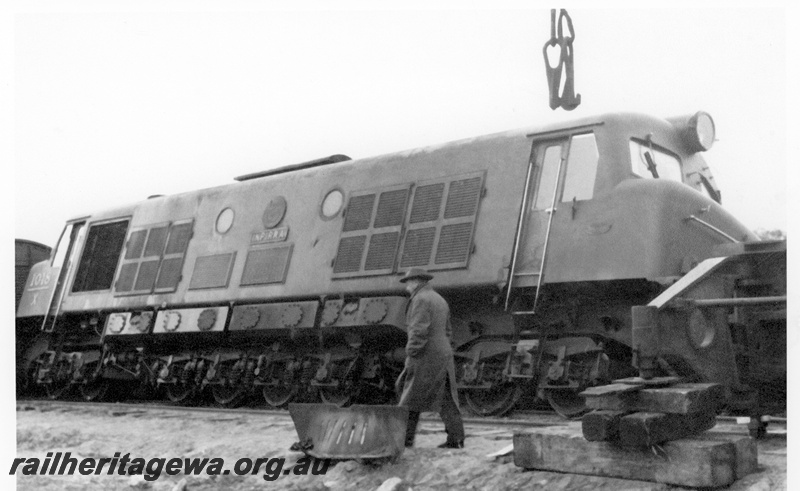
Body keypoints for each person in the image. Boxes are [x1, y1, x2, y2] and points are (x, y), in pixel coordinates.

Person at [395, 268, 465, 449]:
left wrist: (412, 353)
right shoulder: (439, 299)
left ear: (416, 282)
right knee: (446, 398)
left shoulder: (420, 299)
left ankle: (405, 440)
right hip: (443, 353)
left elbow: (418, 331)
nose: (407, 287)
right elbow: (448, 331)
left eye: (408, 282)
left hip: (425, 355)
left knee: (408, 396)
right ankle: (456, 439)